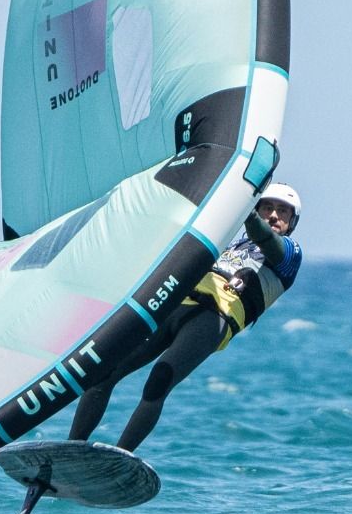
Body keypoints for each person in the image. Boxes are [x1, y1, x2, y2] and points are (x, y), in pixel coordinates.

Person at [69, 183, 303, 452]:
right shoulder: (227, 241)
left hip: (214, 318)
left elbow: (264, 237)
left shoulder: (290, 254)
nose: (273, 215)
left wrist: (246, 207)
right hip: (175, 303)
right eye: (267, 208)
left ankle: (120, 457)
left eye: (282, 211)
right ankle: (71, 448)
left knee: (159, 381)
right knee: (105, 372)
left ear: (292, 221)